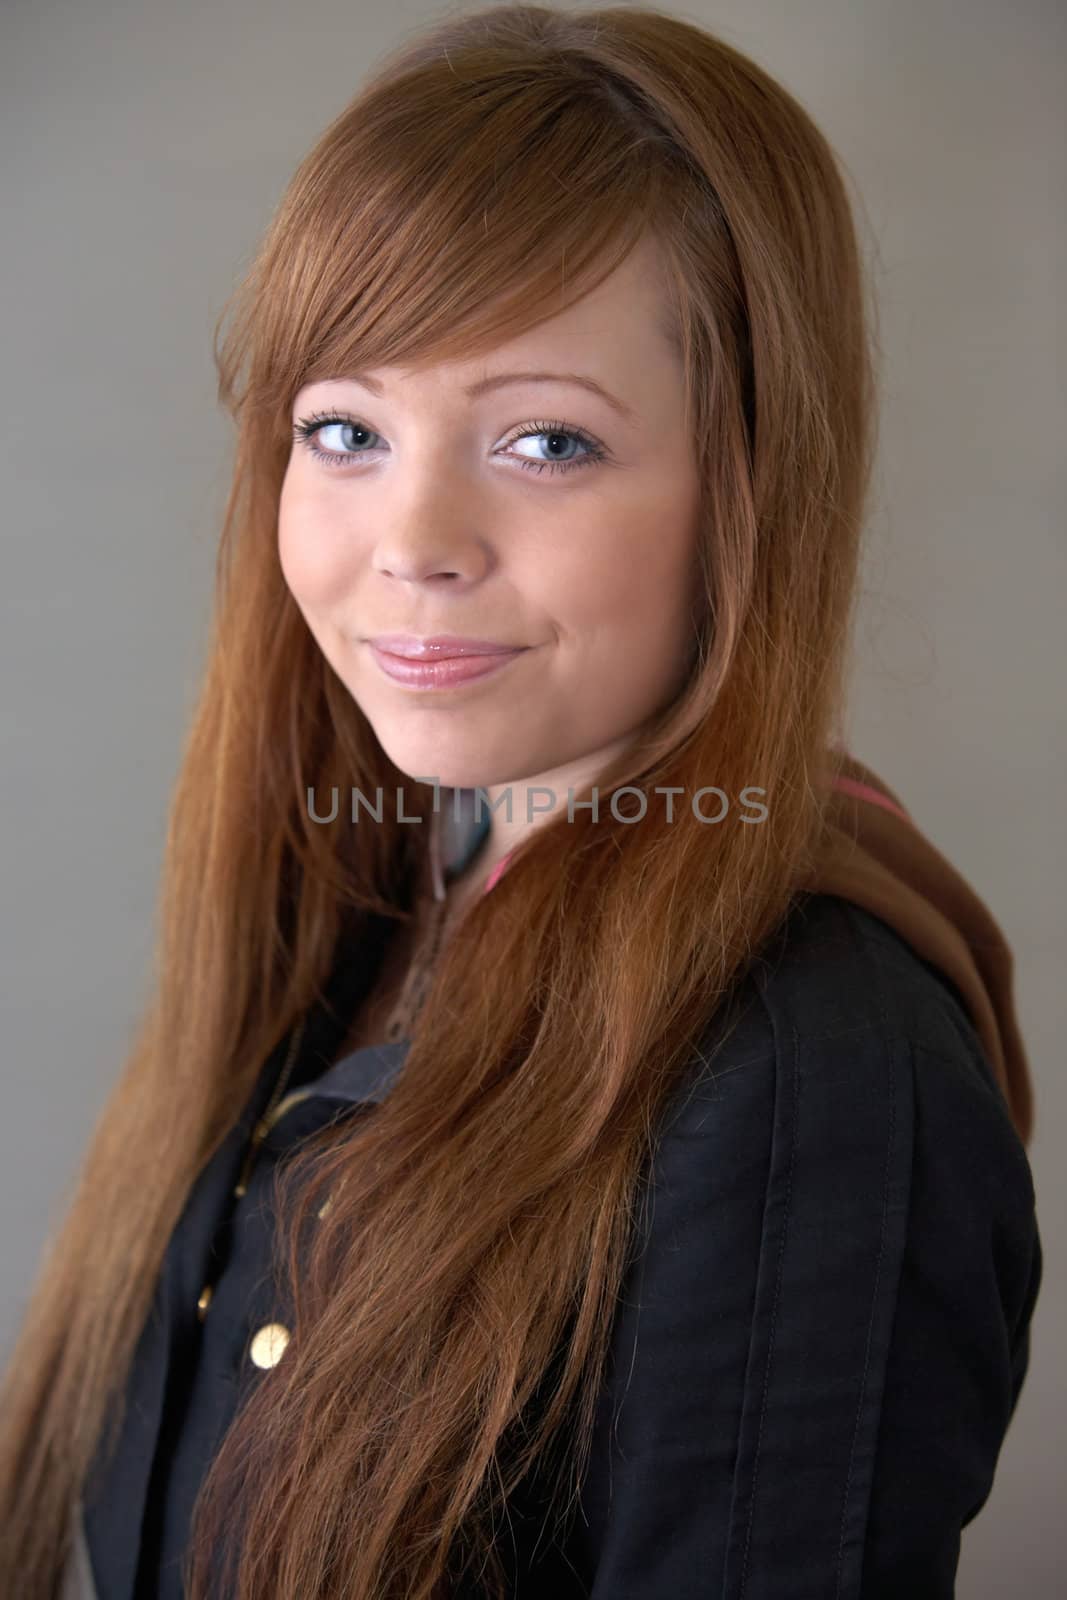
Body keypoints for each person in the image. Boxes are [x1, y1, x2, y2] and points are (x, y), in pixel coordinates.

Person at [0, 6, 1041, 1598]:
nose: (414, 534)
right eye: (343, 428)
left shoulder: (805, 1076)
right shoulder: (362, 901)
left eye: (548, 441)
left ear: (749, 488)